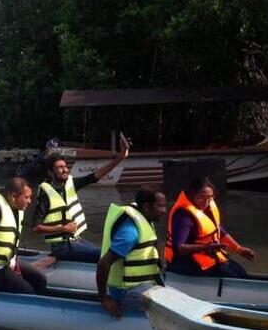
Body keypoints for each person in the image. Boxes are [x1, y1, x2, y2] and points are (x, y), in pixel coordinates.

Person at [32, 135, 130, 262]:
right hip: (62, 247)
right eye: (60, 168)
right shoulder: (46, 195)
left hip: (76, 240)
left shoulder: (71, 184)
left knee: (106, 250)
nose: (65, 170)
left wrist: (121, 157)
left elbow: (96, 175)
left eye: (65, 166)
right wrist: (63, 229)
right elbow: (36, 227)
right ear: (50, 173)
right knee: (104, 255)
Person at [97, 188, 167, 318]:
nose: (164, 211)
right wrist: (104, 298)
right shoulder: (130, 233)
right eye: (161, 206)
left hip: (143, 286)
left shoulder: (144, 216)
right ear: (147, 206)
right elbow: (103, 264)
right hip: (125, 291)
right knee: (168, 307)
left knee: (175, 299)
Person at [0, 177, 47, 296]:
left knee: (40, 280)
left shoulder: (15, 208)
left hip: (6, 263)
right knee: (27, 292)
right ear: (13, 196)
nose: (30, 201)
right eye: (26, 198)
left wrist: (14, 263)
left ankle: (38, 308)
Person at [164, 177, 255, 278]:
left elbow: (216, 229)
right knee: (233, 277)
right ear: (191, 195)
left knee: (241, 272)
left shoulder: (206, 206)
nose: (206, 202)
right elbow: (178, 248)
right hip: (184, 262)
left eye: (210, 197)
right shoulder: (183, 215)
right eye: (202, 198)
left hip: (208, 255)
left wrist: (239, 249)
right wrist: (206, 247)